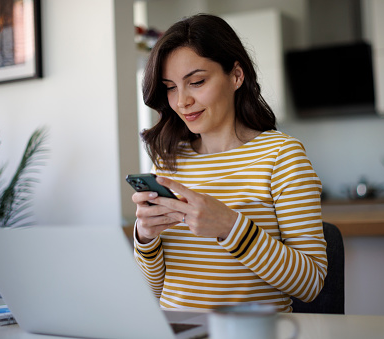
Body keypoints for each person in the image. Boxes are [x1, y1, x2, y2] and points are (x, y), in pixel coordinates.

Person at [131, 13, 327, 313]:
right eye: (170, 87)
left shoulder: (282, 156)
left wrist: (230, 227)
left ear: (236, 76)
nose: (181, 101)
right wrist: (145, 237)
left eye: (196, 82)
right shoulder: (169, 161)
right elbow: (154, 290)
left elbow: (310, 284)